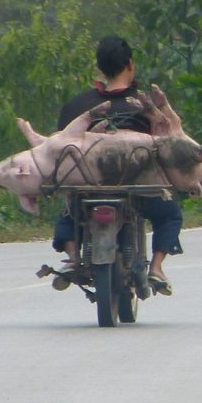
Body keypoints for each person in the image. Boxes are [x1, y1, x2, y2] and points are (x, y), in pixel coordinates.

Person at [53, 35, 183, 296]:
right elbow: (169, 143)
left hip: (89, 190)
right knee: (169, 214)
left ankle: (72, 258)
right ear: (130, 65)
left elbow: (60, 147)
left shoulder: (76, 106)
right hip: (140, 191)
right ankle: (156, 268)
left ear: (100, 69)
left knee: (69, 211)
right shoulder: (146, 105)